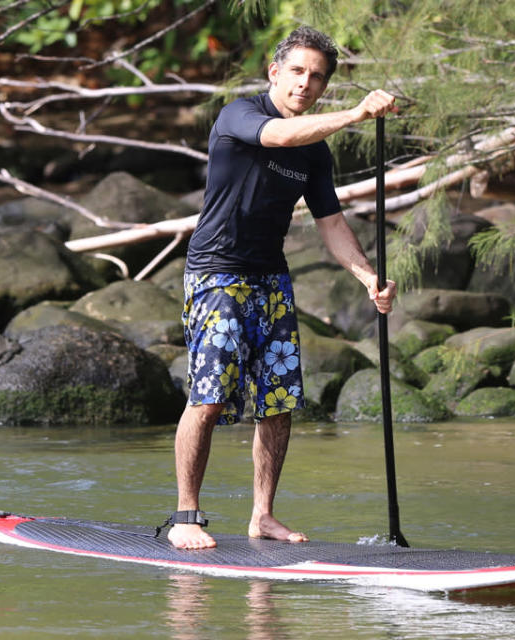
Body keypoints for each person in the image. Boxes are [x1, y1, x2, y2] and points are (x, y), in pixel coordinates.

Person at [167, 26, 398, 550]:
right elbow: (278, 137)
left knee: (277, 402)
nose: (305, 84)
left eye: (316, 77)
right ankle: (186, 516)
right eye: (297, 71)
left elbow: (332, 223)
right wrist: (357, 115)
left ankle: (263, 516)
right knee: (208, 397)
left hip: (270, 276)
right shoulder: (240, 115)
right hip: (216, 273)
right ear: (275, 72)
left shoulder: (315, 154)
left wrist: (367, 278)